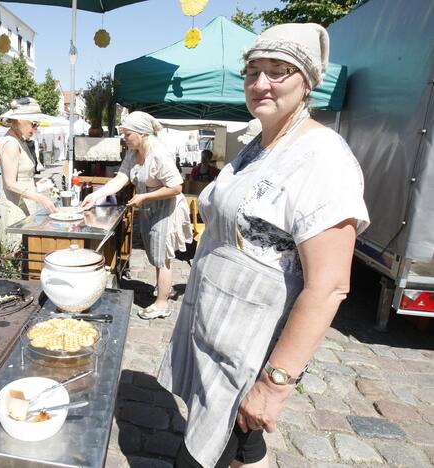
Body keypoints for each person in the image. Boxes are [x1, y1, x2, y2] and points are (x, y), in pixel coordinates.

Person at [158, 23, 370, 468]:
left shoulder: (323, 158)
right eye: (253, 72)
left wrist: (273, 386)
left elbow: (329, 286)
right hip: (216, 332)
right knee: (242, 446)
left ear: (307, 81)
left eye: (279, 71)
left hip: (249, 351)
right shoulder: (257, 144)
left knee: (198, 455)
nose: (260, 84)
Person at [81, 111, 193, 319]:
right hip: (150, 206)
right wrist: (97, 195)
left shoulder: (159, 153)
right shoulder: (133, 152)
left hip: (166, 208)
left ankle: (162, 304)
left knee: (163, 257)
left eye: (127, 134)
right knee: (155, 252)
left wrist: (144, 198)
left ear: (142, 134)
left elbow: (176, 187)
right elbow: (121, 177)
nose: (124, 138)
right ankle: (162, 289)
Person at [0, 97, 57, 236]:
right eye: (33, 124)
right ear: (19, 120)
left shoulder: (20, 140)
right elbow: (10, 183)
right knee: (18, 250)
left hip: (24, 204)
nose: (35, 129)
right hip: (16, 208)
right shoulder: (11, 143)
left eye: (37, 125)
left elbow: (20, 175)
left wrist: (35, 181)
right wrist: (40, 198)